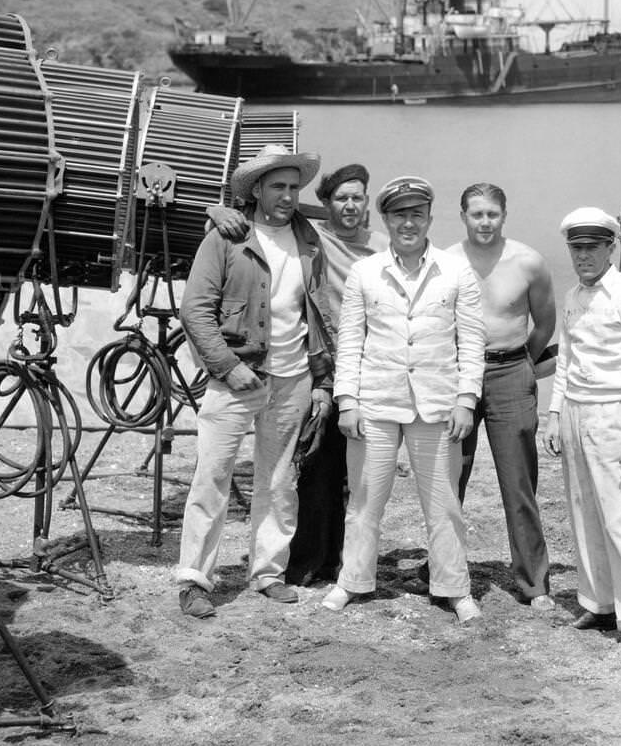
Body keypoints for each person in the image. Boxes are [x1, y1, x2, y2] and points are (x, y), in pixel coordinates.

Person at [173, 144, 333, 619]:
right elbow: (194, 312)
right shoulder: (225, 238)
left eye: (292, 187)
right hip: (236, 378)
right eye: (276, 186)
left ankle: (268, 572)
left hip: (294, 378)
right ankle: (194, 580)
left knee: (280, 480)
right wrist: (226, 365)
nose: (286, 195)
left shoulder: (310, 238)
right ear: (257, 189)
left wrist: (322, 380)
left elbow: (319, 314)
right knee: (212, 478)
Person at [321, 176, 486, 624]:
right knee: (365, 499)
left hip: (437, 404)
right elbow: (351, 339)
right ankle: (351, 580)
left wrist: (466, 399)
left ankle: (454, 588)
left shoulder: (456, 271)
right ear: (386, 220)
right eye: (399, 214)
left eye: (416, 213)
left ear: (430, 218)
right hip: (376, 401)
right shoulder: (365, 272)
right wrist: (348, 399)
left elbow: (471, 340)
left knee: (443, 503)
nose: (408, 223)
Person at [544, 207, 621, 662]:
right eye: (576, 249)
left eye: (592, 248)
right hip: (576, 411)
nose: (584, 257)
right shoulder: (573, 295)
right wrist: (553, 413)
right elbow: (566, 361)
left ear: (611, 247)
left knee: (619, 518)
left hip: (616, 414)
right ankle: (599, 605)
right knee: (583, 511)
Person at [445, 182, 555, 609]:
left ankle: (534, 582)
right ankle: (446, 570)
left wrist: (522, 362)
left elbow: (545, 322)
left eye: (492, 214)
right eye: (477, 214)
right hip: (459, 374)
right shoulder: (447, 262)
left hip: (512, 369)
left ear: (504, 216)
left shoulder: (528, 262)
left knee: (519, 479)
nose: (485, 222)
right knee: (453, 475)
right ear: (463, 216)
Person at [285, 164, 389, 585]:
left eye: (358, 197)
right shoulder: (311, 239)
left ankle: (348, 561)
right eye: (341, 198)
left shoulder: (382, 246)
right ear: (325, 204)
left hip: (374, 367)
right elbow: (265, 209)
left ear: (368, 202)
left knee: (358, 473)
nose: (350, 205)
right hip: (325, 365)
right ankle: (310, 561)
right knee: (317, 466)